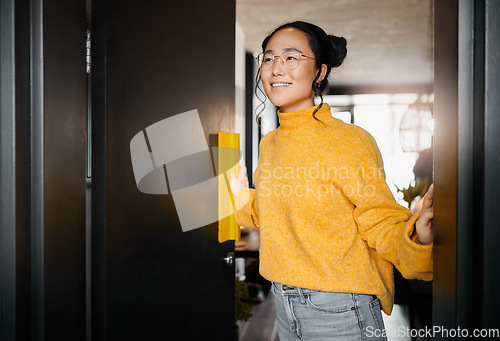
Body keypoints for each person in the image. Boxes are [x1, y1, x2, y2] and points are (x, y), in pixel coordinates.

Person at [230, 21, 434, 341]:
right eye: (268, 58)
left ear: (320, 72)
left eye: (291, 57)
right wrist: (238, 194)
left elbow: (378, 217)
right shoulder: (270, 143)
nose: (276, 69)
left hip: (340, 307)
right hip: (282, 298)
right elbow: (270, 213)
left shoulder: (350, 141)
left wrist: (416, 237)